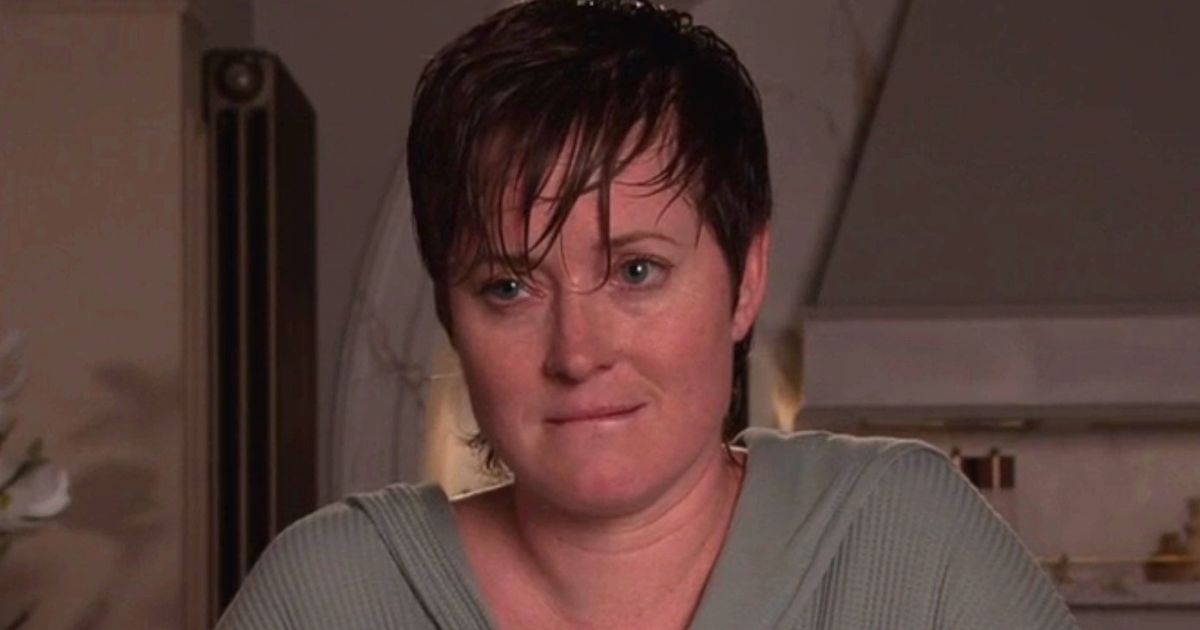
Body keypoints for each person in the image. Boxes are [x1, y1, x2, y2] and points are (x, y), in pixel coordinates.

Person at [216, 1, 1078, 628]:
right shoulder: (328, 595)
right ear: (449, 310)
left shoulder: (909, 546)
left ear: (746, 278)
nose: (577, 352)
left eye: (636, 271)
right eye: (509, 287)